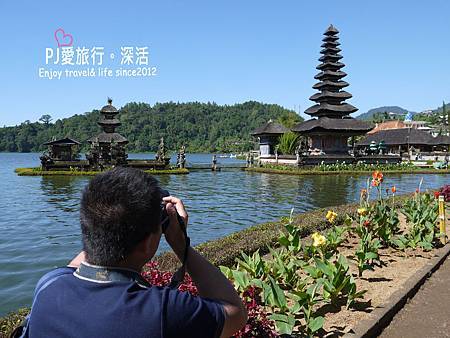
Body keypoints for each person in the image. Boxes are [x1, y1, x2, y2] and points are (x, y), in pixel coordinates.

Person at [25, 167, 247, 337]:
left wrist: (108, 222)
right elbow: (235, 312)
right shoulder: (162, 311)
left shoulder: (49, 286)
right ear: (148, 243)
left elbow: (88, 252)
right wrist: (180, 244)